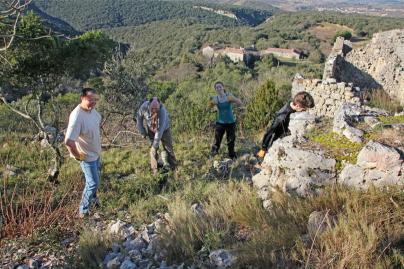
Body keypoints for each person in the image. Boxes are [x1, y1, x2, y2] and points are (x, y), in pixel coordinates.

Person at [65, 88, 101, 218]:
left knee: (96, 180)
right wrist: (78, 156)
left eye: (94, 99)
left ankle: (94, 201)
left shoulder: (92, 110)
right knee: (92, 184)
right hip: (87, 157)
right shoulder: (77, 116)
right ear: (82, 98)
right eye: (90, 99)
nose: (93, 102)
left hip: (96, 154)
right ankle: (83, 211)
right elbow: (68, 141)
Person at [256, 91, 315, 159]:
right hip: (278, 139)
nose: (304, 111)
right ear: (297, 106)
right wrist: (263, 148)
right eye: (303, 109)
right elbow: (270, 132)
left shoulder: (292, 104)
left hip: (282, 135)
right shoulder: (281, 117)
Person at [136, 97, 176, 176]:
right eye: (152, 108)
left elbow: (159, 131)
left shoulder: (162, 111)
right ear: (149, 105)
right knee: (153, 151)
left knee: (168, 149)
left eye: (156, 108)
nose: (154, 110)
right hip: (151, 129)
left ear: (159, 106)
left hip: (164, 130)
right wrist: (143, 133)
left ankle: (173, 169)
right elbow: (139, 121)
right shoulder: (143, 107)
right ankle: (155, 172)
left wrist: (155, 145)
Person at [208, 81, 243, 159]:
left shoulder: (229, 95)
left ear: (223, 87)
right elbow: (208, 108)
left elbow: (240, 103)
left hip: (231, 122)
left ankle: (232, 155)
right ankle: (214, 154)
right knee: (217, 140)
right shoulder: (215, 98)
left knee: (231, 140)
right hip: (220, 123)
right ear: (215, 89)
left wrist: (234, 99)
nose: (218, 88)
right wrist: (211, 103)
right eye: (217, 87)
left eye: (220, 86)